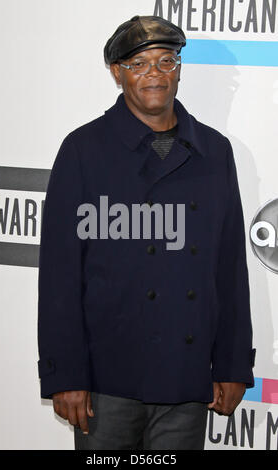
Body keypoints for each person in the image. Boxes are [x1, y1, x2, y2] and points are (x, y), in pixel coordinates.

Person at [37, 15, 256, 450]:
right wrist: (66, 375)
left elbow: (230, 267)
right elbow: (60, 276)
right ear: (117, 74)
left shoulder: (215, 151)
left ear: (179, 69)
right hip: (106, 380)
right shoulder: (83, 150)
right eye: (138, 63)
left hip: (185, 376)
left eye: (165, 61)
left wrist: (232, 365)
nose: (154, 73)